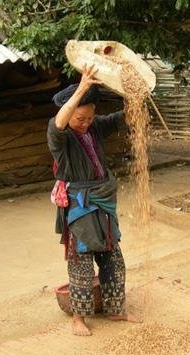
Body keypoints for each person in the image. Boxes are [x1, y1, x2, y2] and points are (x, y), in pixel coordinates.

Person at [47, 64, 138, 336]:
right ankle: (78, 318)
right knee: (82, 262)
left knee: (113, 258)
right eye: (79, 119)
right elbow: (59, 123)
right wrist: (83, 87)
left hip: (104, 203)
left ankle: (116, 309)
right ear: (69, 114)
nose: (85, 123)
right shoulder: (59, 137)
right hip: (81, 205)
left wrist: (133, 92)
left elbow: (125, 117)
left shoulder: (94, 127)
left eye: (89, 117)